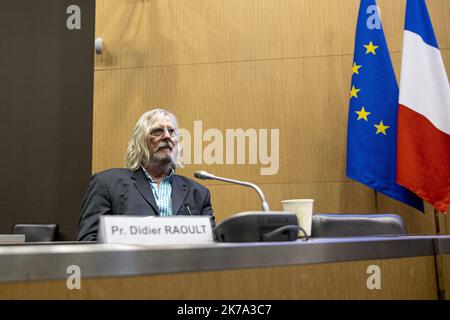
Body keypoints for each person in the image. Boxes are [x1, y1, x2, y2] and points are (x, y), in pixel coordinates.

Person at [76, 108, 215, 241]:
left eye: (172, 132)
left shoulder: (198, 193)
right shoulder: (107, 183)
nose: (167, 136)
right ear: (140, 141)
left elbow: (211, 244)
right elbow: (89, 241)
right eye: (158, 131)